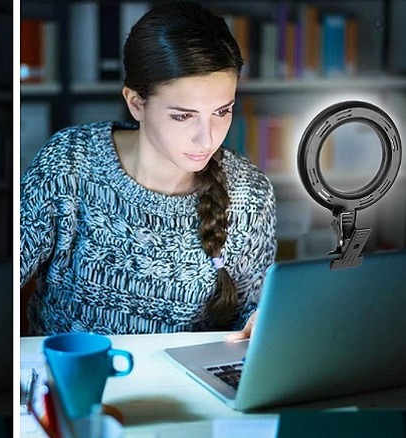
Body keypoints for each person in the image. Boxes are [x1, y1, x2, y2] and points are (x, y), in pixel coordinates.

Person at [20, 2, 276, 337]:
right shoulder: (69, 163)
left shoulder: (249, 194)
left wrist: (260, 324)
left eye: (222, 111)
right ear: (136, 103)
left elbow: (250, 318)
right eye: (183, 116)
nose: (208, 138)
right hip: (69, 369)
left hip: (188, 372)